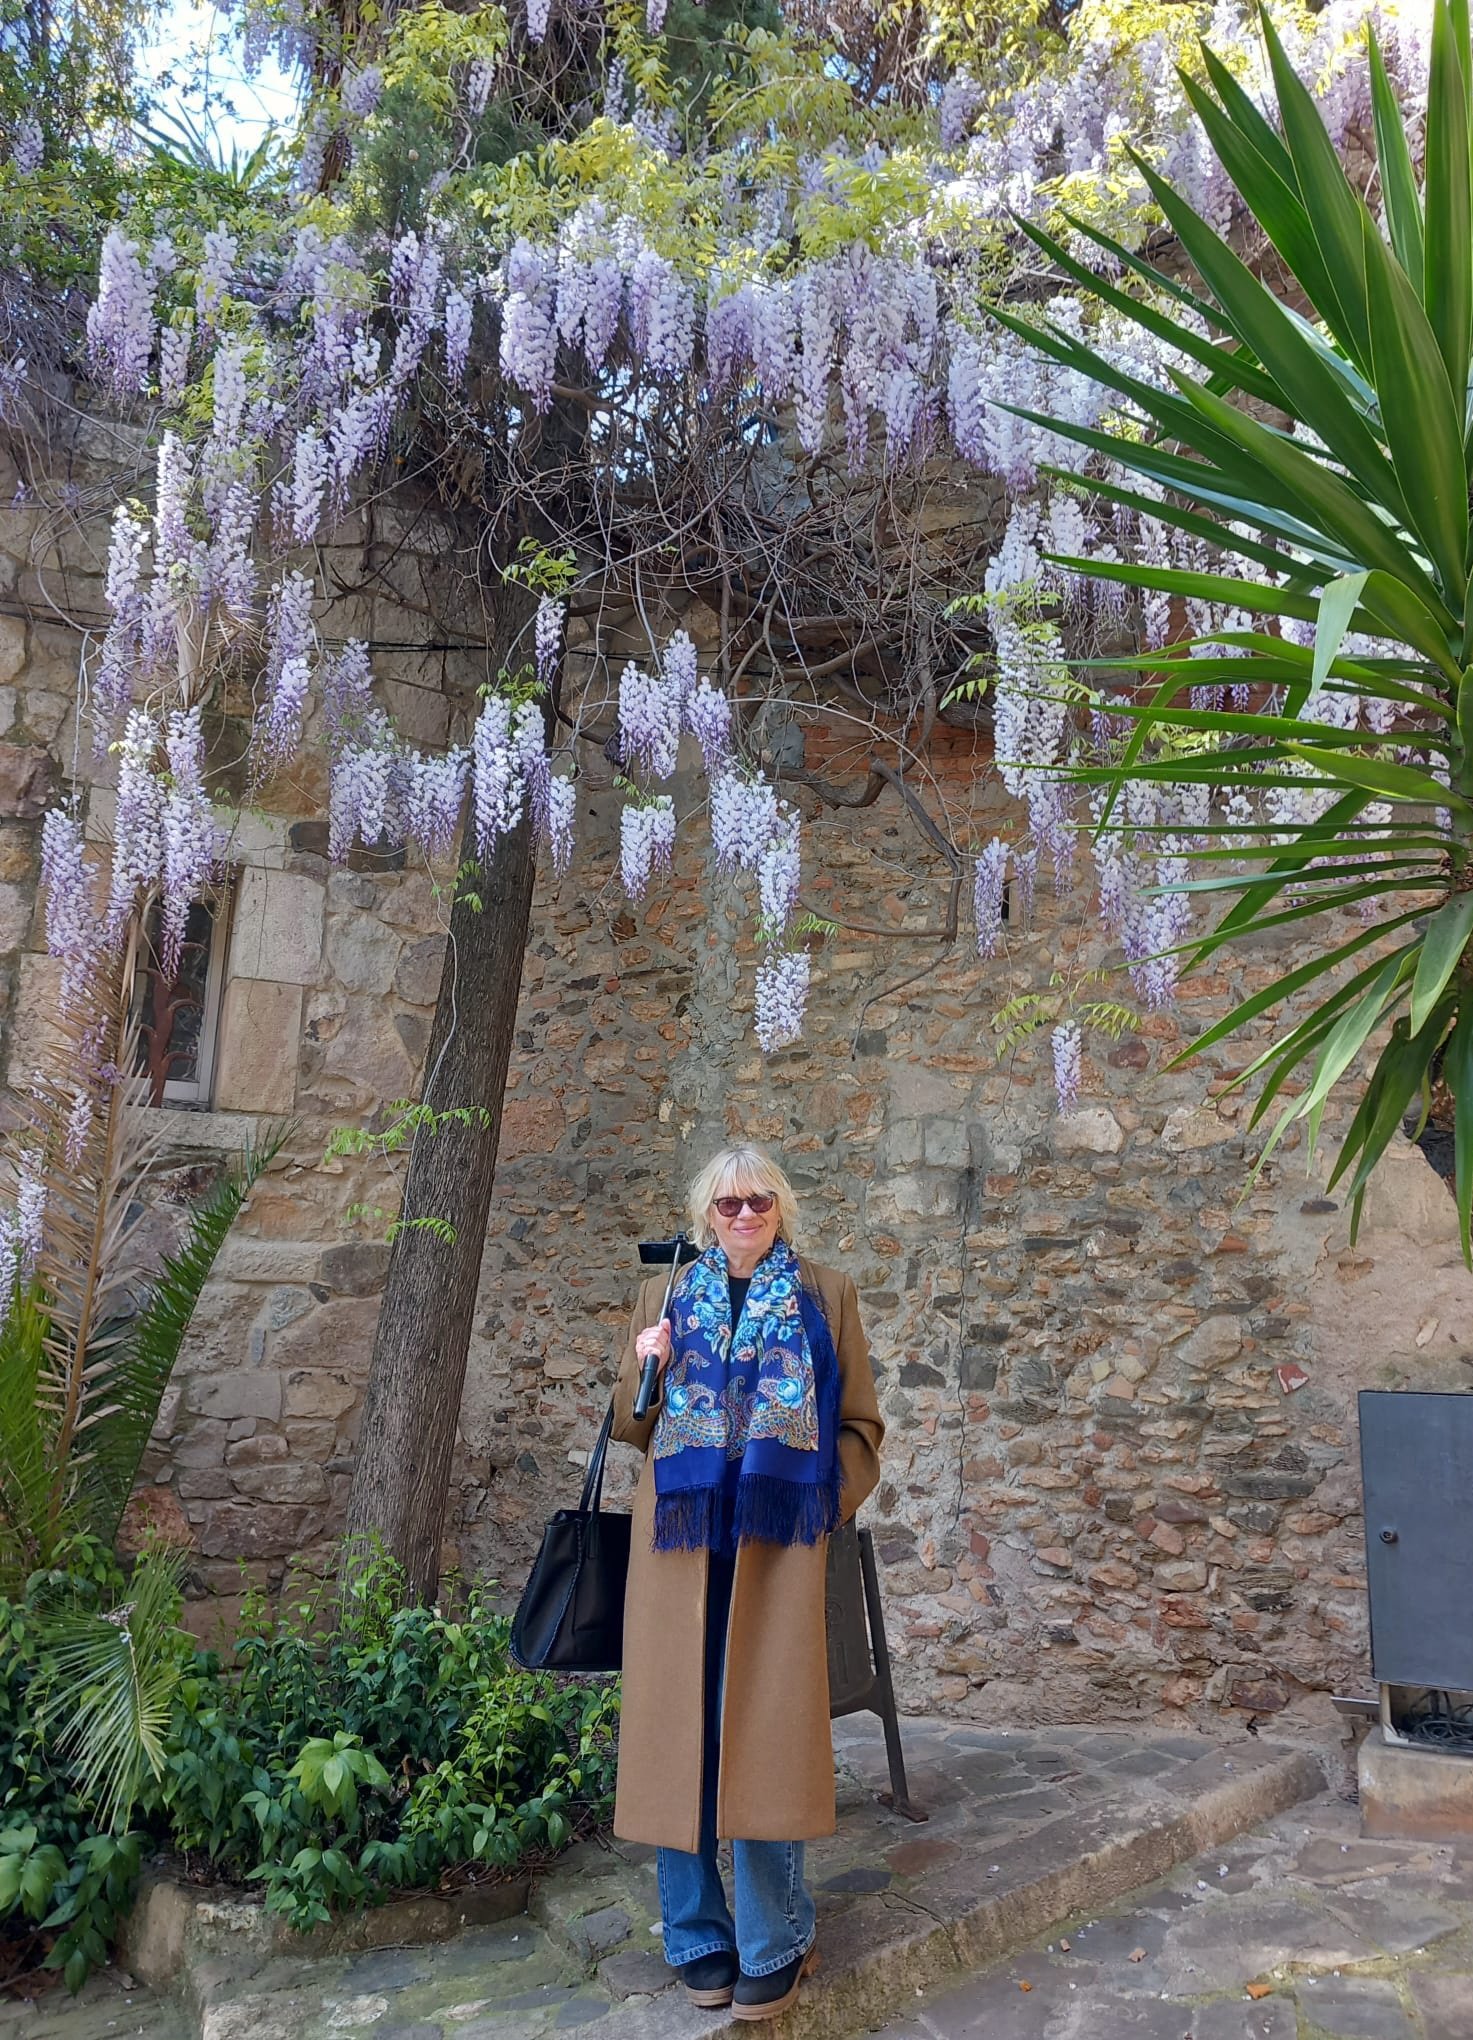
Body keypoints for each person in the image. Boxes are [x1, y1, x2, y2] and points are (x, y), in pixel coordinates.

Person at [610, 1143, 884, 2022]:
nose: (743, 1216)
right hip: (680, 1547)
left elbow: (860, 1427)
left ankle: (775, 1940)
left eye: (758, 1201)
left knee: (764, 1733)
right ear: (705, 1214)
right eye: (727, 1204)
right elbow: (630, 1426)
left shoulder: (824, 1294)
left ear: (780, 1207)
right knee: (675, 1737)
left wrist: (817, 1511)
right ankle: (698, 1937)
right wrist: (646, 1365)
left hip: (773, 1547)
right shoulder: (663, 1296)